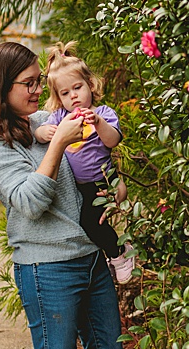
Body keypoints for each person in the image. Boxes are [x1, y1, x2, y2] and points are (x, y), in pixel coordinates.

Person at [0, 42, 124, 349]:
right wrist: (57, 143)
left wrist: (115, 185)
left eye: (40, 81)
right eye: (28, 83)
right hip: (46, 267)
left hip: (89, 256)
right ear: (1, 88)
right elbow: (28, 202)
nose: (38, 90)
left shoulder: (44, 118)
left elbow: (97, 159)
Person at [33, 42, 137, 282]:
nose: (74, 96)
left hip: (102, 180)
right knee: (87, 224)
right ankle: (113, 254)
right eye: (65, 93)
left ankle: (120, 252)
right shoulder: (60, 117)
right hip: (77, 186)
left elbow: (112, 141)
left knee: (91, 222)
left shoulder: (104, 113)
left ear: (90, 85)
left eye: (77, 88)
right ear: (58, 97)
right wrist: (44, 134)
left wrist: (98, 122)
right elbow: (40, 131)